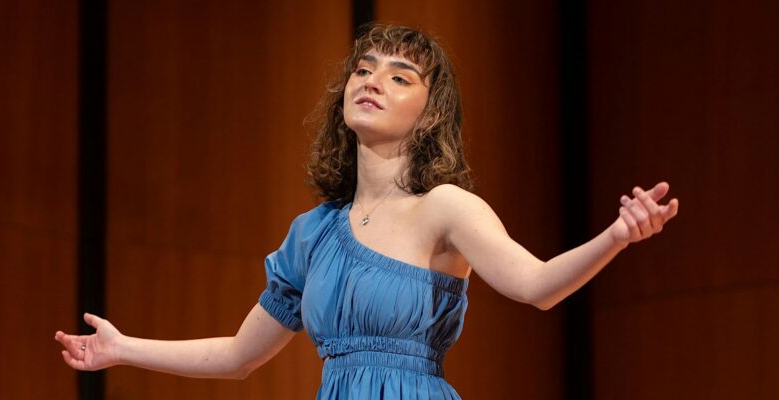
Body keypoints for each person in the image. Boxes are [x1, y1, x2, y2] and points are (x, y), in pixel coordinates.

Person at [55, 24, 679, 399]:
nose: (373, 80)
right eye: (363, 68)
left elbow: (537, 286)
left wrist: (618, 235)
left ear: (431, 113)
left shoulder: (447, 208)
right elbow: (241, 357)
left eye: (401, 76)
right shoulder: (313, 233)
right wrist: (123, 349)